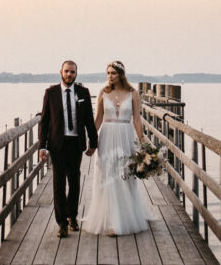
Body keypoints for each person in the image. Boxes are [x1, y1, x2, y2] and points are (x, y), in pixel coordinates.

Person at [82, 60, 154, 236]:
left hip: (125, 135)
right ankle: (110, 219)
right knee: (107, 173)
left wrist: (143, 142)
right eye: (107, 73)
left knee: (124, 173)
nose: (110, 76)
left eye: (113, 73)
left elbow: (136, 119)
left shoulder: (133, 93)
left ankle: (123, 218)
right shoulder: (103, 92)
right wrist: (92, 141)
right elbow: (98, 119)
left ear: (121, 74)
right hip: (107, 135)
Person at [39, 60, 98, 237]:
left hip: (76, 143)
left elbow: (89, 118)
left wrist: (93, 142)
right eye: (66, 71)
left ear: (76, 74)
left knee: (74, 181)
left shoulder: (83, 93)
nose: (69, 74)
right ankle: (62, 223)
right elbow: (44, 121)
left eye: (72, 72)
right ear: (61, 72)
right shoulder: (51, 93)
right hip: (57, 144)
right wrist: (42, 146)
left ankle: (72, 216)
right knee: (58, 184)